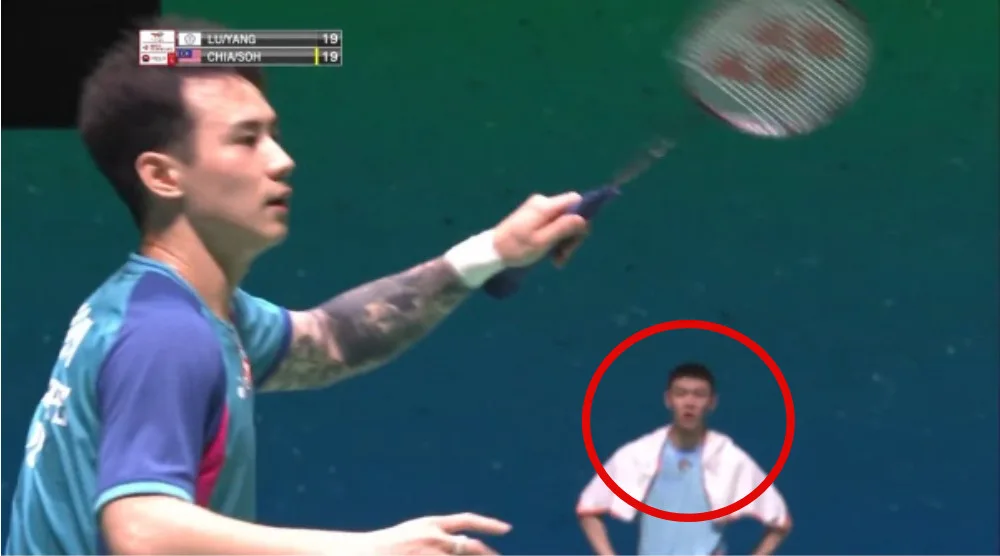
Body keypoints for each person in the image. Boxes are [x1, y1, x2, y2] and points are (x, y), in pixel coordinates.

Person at [4, 15, 592, 556]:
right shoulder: (165, 332)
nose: (282, 159)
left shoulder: (195, 311)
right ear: (162, 175)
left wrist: (494, 251)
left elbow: (331, 339)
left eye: (274, 133)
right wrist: (367, 550)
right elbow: (142, 530)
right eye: (246, 139)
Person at [576, 363, 792, 555]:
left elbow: (780, 522)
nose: (690, 402)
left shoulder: (728, 458)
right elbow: (588, 508)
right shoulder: (640, 454)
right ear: (668, 399)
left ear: (712, 402)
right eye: (681, 393)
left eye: (699, 395)